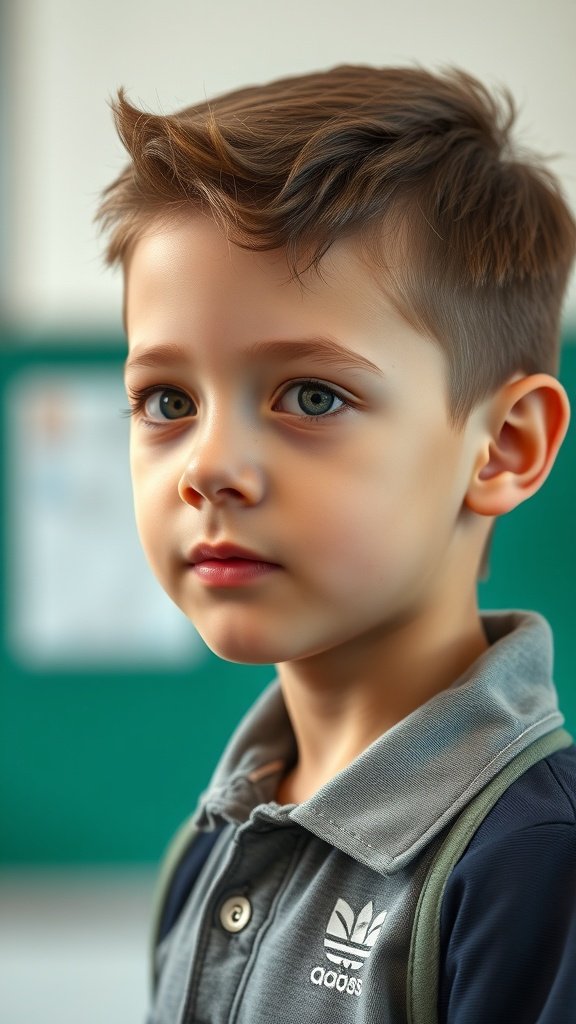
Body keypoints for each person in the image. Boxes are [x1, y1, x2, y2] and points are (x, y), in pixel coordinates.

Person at [97, 65, 576, 1023]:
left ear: (503, 449)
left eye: (312, 396)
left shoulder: (536, 861)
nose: (209, 467)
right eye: (167, 402)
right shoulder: (208, 846)